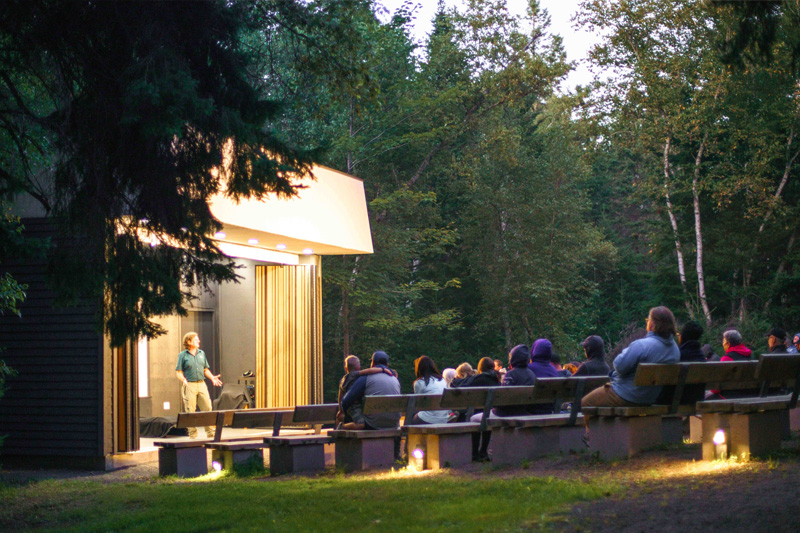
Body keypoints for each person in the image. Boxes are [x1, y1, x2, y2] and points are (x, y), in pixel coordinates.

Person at [581, 307, 680, 440]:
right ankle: (609, 438)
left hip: (627, 394)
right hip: (651, 397)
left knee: (586, 402)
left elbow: (619, 366)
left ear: (652, 324)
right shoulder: (674, 349)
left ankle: (593, 439)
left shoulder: (642, 345)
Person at [175, 332, 223, 439]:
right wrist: (183, 379)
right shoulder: (182, 355)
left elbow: (205, 369)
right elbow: (178, 371)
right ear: (189, 342)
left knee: (207, 407)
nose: (199, 341)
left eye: (198, 339)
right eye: (196, 339)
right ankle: (192, 434)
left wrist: (212, 378)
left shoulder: (202, 353)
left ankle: (210, 433)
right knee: (190, 411)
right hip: (189, 385)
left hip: (202, 384)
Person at [338, 351, 401, 431]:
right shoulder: (394, 379)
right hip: (394, 424)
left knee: (350, 413)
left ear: (373, 363)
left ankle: (342, 431)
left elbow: (346, 401)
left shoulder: (366, 378)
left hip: (372, 424)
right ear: (387, 365)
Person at [458, 357, 501, 461]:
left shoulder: (478, 379)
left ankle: (475, 453)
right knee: (486, 416)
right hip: (491, 411)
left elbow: (464, 390)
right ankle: (483, 451)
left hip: (478, 411)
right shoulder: (497, 379)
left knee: (475, 418)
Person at [656, 321, 706, 405]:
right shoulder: (701, 357)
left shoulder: (677, 356)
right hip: (696, 399)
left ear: (683, 337)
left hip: (673, 401)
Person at [410, 356, 449, 424]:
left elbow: (418, 404)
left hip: (428, 418)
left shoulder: (419, 382)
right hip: (444, 418)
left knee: (411, 416)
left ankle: (408, 434)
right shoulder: (442, 380)